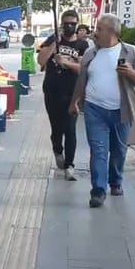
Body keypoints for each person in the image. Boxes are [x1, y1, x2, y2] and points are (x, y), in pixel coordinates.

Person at [68, 14, 135, 208]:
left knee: (119, 151)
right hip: (94, 109)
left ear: (112, 32)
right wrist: (74, 102)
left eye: (99, 29)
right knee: (99, 150)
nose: (95, 32)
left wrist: (131, 72)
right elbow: (81, 81)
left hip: (122, 111)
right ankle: (98, 190)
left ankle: (115, 182)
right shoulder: (91, 53)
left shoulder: (131, 52)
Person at [40, 10, 91, 181]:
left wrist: (66, 63)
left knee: (70, 128)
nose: (70, 26)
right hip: (52, 90)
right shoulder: (53, 40)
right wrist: (52, 48)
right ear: (62, 24)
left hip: (72, 92)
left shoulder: (82, 45)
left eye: (73, 24)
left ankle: (70, 165)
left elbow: (83, 69)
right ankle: (57, 149)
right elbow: (40, 61)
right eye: (67, 23)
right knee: (56, 128)